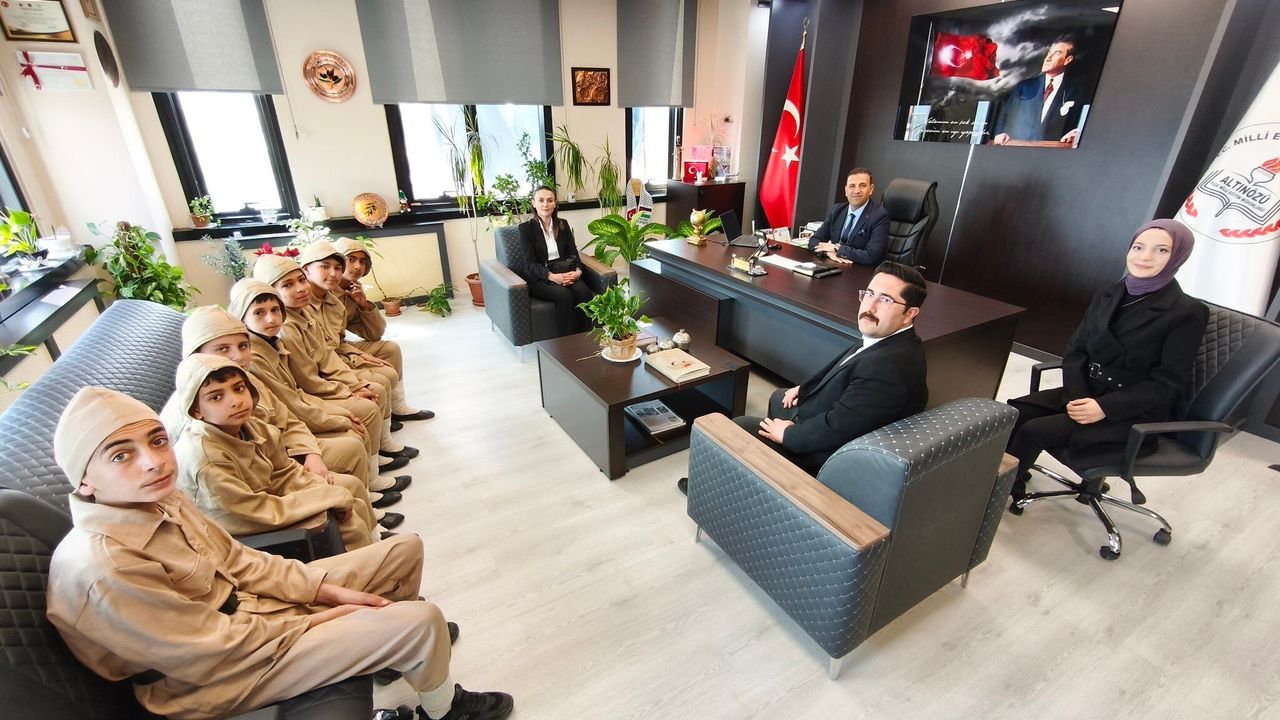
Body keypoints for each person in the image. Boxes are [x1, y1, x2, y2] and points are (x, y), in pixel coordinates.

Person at [44, 386, 514, 720]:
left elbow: (242, 561)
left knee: (403, 550)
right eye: (121, 455)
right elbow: (212, 650)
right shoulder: (106, 567)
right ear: (84, 479)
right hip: (217, 676)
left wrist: (323, 590)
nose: (153, 462)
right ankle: (445, 708)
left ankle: (392, 652)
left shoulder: (160, 499)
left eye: (156, 441)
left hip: (253, 617)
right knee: (420, 619)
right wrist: (323, 619)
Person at [679, 262, 929, 493]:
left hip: (828, 455)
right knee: (780, 398)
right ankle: (758, 480)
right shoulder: (894, 340)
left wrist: (789, 436)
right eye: (869, 294)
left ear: (910, 313)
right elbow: (844, 367)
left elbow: (839, 428)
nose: (869, 307)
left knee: (738, 427)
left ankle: (706, 490)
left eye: (885, 300)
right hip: (835, 415)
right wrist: (806, 388)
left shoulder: (888, 368)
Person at [1005, 219, 1208, 498]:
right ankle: (1011, 475)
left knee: (1035, 430)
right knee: (1016, 412)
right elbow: (1077, 349)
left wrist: (1104, 408)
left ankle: (996, 491)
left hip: (1132, 410)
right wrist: (1078, 396)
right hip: (1088, 390)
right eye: (1138, 247)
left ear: (1178, 257)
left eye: (1161, 250)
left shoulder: (1187, 312)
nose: (1145, 257)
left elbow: (1167, 384)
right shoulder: (1109, 292)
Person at [165, 304, 406, 529]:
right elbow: (246, 506)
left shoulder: (242, 379)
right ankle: (368, 530)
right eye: (222, 349)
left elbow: (287, 416)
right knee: (349, 461)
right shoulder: (195, 419)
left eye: (243, 346)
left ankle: (371, 526)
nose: (237, 356)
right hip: (259, 497)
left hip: (277, 467)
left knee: (349, 474)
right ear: (196, 353)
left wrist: (310, 452)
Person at [171, 352, 378, 549]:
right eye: (216, 397)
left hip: (263, 504)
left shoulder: (251, 427)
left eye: (239, 388)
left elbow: (285, 473)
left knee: (350, 493)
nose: (235, 401)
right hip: (236, 536)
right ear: (195, 410)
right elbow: (253, 512)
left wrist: (324, 490)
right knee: (348, 525)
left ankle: (375, 546)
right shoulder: (205, 460)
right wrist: (326, 499)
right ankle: (372, 568)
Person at [228, 278, 413, 490]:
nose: (270, 319)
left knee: (377, 382)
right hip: (293, 426)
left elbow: (327, 356)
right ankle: (371, 481)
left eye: (275, 310)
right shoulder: (260, 353)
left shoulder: (276, 338)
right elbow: (302, 390)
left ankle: (374, 464)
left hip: (306, 404)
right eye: (259, 313)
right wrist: (342, 409)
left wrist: (352, 385)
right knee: (363, 414)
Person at [253, 253, 418, 464]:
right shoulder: (284, 327)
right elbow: (307, 380)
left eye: (301, 280)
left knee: (386, 359)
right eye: (288, 285)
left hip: (329, 372)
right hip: (314, 391)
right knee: (373, 394)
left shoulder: (316, 307)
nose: (301, 288)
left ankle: (381, 444)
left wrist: (355, 379)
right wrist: (349, 389)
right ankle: (374, 461)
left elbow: (330, 352)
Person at [332, 236, 434, 426]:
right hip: (332, 354)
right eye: (351, 259)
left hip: (342, 347)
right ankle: (383, 417)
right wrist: (357, 354)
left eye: (363, 261)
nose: (357, 267)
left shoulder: (352, 292)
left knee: (390, 348)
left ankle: (398, 408)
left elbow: (374, 334)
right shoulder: (326, 293)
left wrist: (363, 304)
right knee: (383, 375)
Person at [513, 185, 597, 334]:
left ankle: (586, 337)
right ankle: (566, 342)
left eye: (549, 200)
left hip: (566, 272)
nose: (545, 204)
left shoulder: (563, 224)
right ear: (533, 203)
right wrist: (551, 276)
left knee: (583, 292)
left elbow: (574, 253)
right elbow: (529, 264)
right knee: (564, 295)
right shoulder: (525, 229)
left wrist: (577, 272)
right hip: (541, 277)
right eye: (541, 200)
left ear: (555, 203)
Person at [992, 39, 1087, 145]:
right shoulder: (1024, 86)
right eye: (1049, 53)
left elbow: (1080, 123)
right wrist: (1000, 133)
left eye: (1056, 53)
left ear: (1067, 60)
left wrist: (1077, 133)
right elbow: (1005, 114)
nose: (1048, 58)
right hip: (1018, 147)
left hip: (1054, 151)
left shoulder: (1076, 91)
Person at [807, 168, 891, 266]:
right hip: (834, 265)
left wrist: (836, 248)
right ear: (846, 190)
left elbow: (871, 256)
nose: (857, 191)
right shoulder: (837, 210)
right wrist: (827, 253)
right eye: (852, 186)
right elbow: (813, 241)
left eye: (862, 185)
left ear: (871, 189)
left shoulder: (879, 216)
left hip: (860, 270)